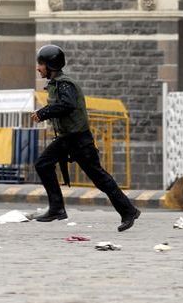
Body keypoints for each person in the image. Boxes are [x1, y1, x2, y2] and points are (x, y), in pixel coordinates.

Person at [30, 45, 141, 232]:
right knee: (43, 163)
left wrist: (43, 113)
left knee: (100, 178)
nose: (38, 68)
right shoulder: (56, 84)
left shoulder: (65, 84)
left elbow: (68, 105)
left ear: (51, 65)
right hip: (68, 139)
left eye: (40, 64)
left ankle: (128, 211)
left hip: (78, 140)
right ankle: (57, 208)